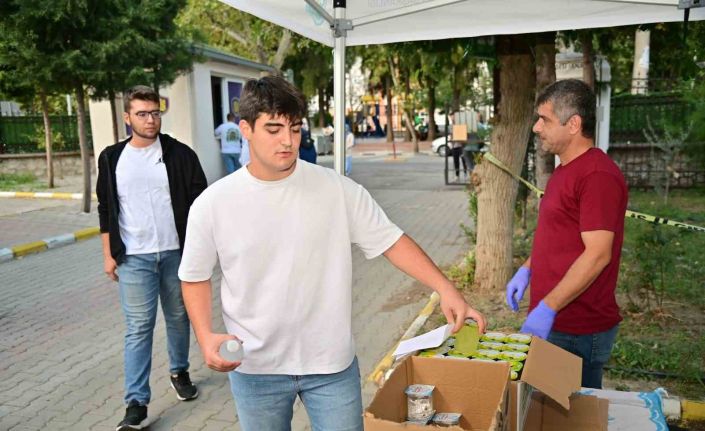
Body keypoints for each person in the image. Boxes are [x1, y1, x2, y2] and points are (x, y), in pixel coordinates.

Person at [178, 75, 487, 431]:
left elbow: (391, 241)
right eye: (274, 129)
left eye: (294, 129)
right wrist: (205, 336)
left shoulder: (337, 190)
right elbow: (194, 276)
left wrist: (446, 289)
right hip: (256, 368)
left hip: (330, 366)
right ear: (245, 129)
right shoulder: (213, 204)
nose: (287, 141)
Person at [97, 85, 208, 431]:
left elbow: (201, 203)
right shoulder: (112, 158)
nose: (150, 119)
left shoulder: (180, 154)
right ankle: (136, 403)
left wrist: (202, 249)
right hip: (134, 258)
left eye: (155, 112)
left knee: (178, 316)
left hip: (176, 253)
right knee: (138, 328)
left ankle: (179, 370)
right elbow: (106, 208)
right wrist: (108, 254)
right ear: (127, 118)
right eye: (142, 114)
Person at [505, 79, 628, 389]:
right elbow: (558, 236)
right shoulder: (565, 170)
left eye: (544, 119)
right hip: (559, 321)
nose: (536, 127)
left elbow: (598, 254)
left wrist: (548, 307)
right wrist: (527, 269)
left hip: (577, 329)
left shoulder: (597, 175)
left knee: (575, 418)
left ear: (573, 124)